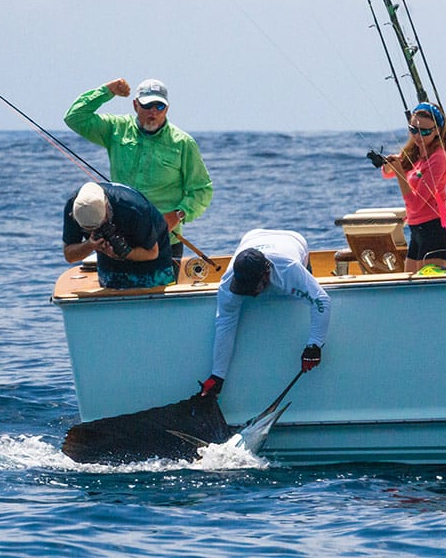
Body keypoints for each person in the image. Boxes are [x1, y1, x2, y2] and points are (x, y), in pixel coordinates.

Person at [64, 78, 213, 276]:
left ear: (167, 108)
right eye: (147, 105)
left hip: (163, 240)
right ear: (135, 105)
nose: (154, 112)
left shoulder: (183, 143)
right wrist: (107, 91)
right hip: (119, 238)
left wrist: (178, 214)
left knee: (161, 296)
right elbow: (75, 117)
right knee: (115, 292)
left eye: (159, 106)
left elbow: (202, 190)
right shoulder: (116, 129)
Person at [200, 229, 330, 397]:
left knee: (309, 289)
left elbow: (322, 300)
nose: (248, 293)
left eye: (252, 287)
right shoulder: (227, 283)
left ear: (266, 273)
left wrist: (314, 345)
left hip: (293, 240)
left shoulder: (289, 269)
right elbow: (225, 326)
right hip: (252, 236)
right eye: (242, 288)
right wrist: (217, 376)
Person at [381, 102, 446, 272]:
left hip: (435, 230)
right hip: (417, 231)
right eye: (413, 129)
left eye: (425, 132)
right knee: (410, 287)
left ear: (437, 131)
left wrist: (399, 172)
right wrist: (389, 165)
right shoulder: (415, 152)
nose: (417, 136)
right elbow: (387, 173)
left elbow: (415, 203)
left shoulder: (438, 158)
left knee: (428, 290)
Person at [62, 181, 175, 289]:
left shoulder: (134, 209)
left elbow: (152, 253)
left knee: (151, 286)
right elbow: (69, 256)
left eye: (100, 225)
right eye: (88, 229)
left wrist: (125, 253)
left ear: (107, 207)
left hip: (153, 259)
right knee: (112, 290)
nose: (97, 230)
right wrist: (90, 245)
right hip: (109, 263)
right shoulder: (74, 207)